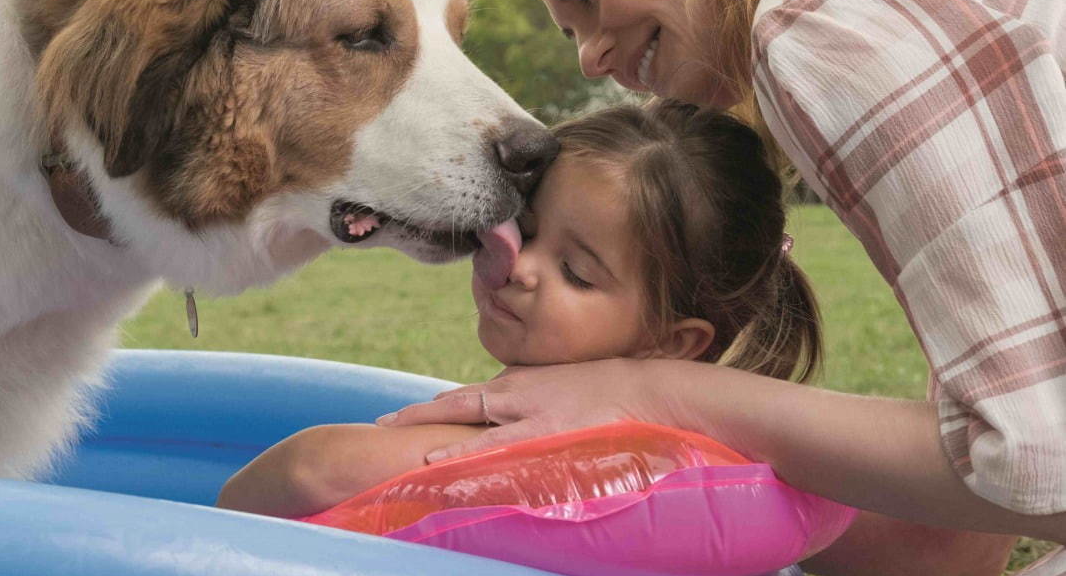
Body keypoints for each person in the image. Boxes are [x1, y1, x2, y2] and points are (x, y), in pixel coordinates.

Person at [379, 0, 1065, 576]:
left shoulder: (828, 21)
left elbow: (1033, 473)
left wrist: (662, 395)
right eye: (569, 30)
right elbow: (963, 538)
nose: (590, 55)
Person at [218, 100, 822, 517]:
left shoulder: (611, 447)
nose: (523, 267)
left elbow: (312, 470)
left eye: (577, 273)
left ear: (673, 343)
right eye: (525, 230)